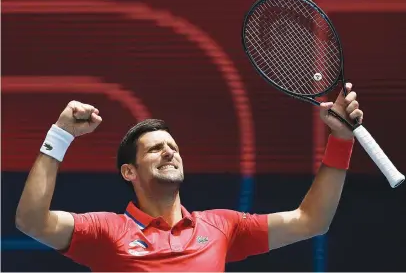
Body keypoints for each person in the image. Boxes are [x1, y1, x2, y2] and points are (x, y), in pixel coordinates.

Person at [16, 82, 363, 271]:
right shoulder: (106, 231)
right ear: (129, 172)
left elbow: (311, 220)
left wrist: (342, 140)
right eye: (154, 149)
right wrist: (61, 135)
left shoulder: (221, 227)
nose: (169, 152)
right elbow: (32, 222)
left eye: (173, 146)